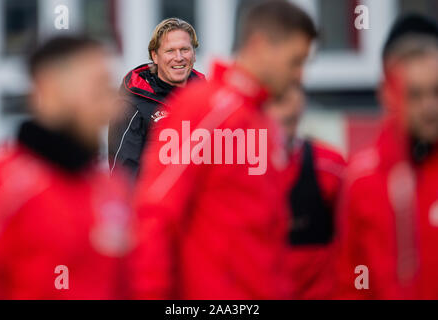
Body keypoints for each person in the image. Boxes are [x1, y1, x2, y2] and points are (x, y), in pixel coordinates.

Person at [129, 0, 317, 299]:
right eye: (295, 61)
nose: (299, 76)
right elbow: (155, 215)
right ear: (260, 46)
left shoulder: (261, 119)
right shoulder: (205, 109)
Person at [0, 36, 136, 299]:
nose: (112, 110)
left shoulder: (112, 187)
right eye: (97, 89)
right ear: (49, 88)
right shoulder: (0, 184)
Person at [336, 14, 438, 299]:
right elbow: (351, 281)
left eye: (436, 92)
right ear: (389, 95)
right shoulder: (363, 179)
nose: (429, 107)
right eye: (415, 95)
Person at [266, 85, 346, 299]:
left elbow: (358, 249)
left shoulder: (330, 166)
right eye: (275, 100)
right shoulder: (230, 171)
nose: (282, 111)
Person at [108, 18, 205, 179]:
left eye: (185, 49)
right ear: (155, 56)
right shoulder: (131, 103)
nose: (179, 57)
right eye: (170, 51)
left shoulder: (207, 97)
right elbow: (123, 175)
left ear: (194, 55)